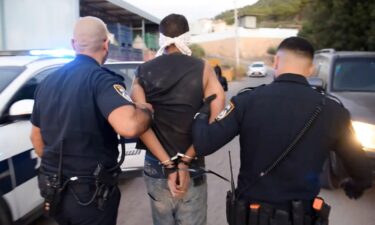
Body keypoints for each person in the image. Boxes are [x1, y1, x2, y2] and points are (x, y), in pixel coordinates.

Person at [192, 37, 372, 225]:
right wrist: (355, 186)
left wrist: (202, 112)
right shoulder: (334, 111)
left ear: (276, 61)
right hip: (301, 217)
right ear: (311, 69)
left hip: (251, 216)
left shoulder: (247, 101)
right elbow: (362, 171)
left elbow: (204, 143)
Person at [30, 16, 152, 225]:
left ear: (73, 44)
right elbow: (130, 126)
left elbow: (36, 139)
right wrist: (145, 109)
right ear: (106, 44)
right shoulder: (101, 79)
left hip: (54, 191)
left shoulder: (46, 83)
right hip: (90, 196)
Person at [131, 14, 225, 225]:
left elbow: (139, 122)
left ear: (161, 37)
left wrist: (168, 164)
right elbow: (216, 115)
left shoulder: (143, 71)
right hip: (192, 164)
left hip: (156, 165)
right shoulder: (202, 68)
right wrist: (184, 161)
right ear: (187, 36)